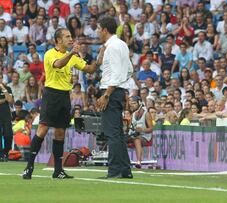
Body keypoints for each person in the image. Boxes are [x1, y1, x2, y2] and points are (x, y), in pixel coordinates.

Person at [22, 28, 100, 180]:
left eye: (71, 36)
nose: (70, 39)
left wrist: (101, 57)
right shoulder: (50, 54)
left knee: (60, 133)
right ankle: (29, 166)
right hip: (51, 95)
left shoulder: (72, 56)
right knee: (43, 129)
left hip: (65, 96)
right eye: (67, 36)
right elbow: (58, 64)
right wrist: (72, 53)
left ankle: (58, 170)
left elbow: (89, 69)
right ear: (58, 40)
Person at [96, 17, 134, 179]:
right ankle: (125, 170)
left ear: (105, 29)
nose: (98, 32)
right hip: (119, 90)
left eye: (99, 28)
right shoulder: (122, 45)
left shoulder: (112, 47)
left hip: (111, 91)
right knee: (117, 133)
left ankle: (114, 170)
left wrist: (106, 94)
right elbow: (129, 70)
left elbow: (117, 73)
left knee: (112, 133)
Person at [128, 96, 153, 169]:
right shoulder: (133, 114)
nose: (132, 105)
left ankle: (139, 161)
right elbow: (130, 127)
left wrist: (142, 130)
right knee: (120, 139)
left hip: (145, 136)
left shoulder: (146, 114)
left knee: (137, 140)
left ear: (139, 103)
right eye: (131, 104)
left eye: (134, 103)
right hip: (134, 135)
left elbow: (151, 128)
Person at [0, 73, 13, 162]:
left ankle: (6, 152)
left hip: (6, 115)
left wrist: (3, 89)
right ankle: (1, 155)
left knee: (9, 135)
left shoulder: (7, 88)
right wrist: (4, 100)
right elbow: (6, 100)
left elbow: (10, 100)